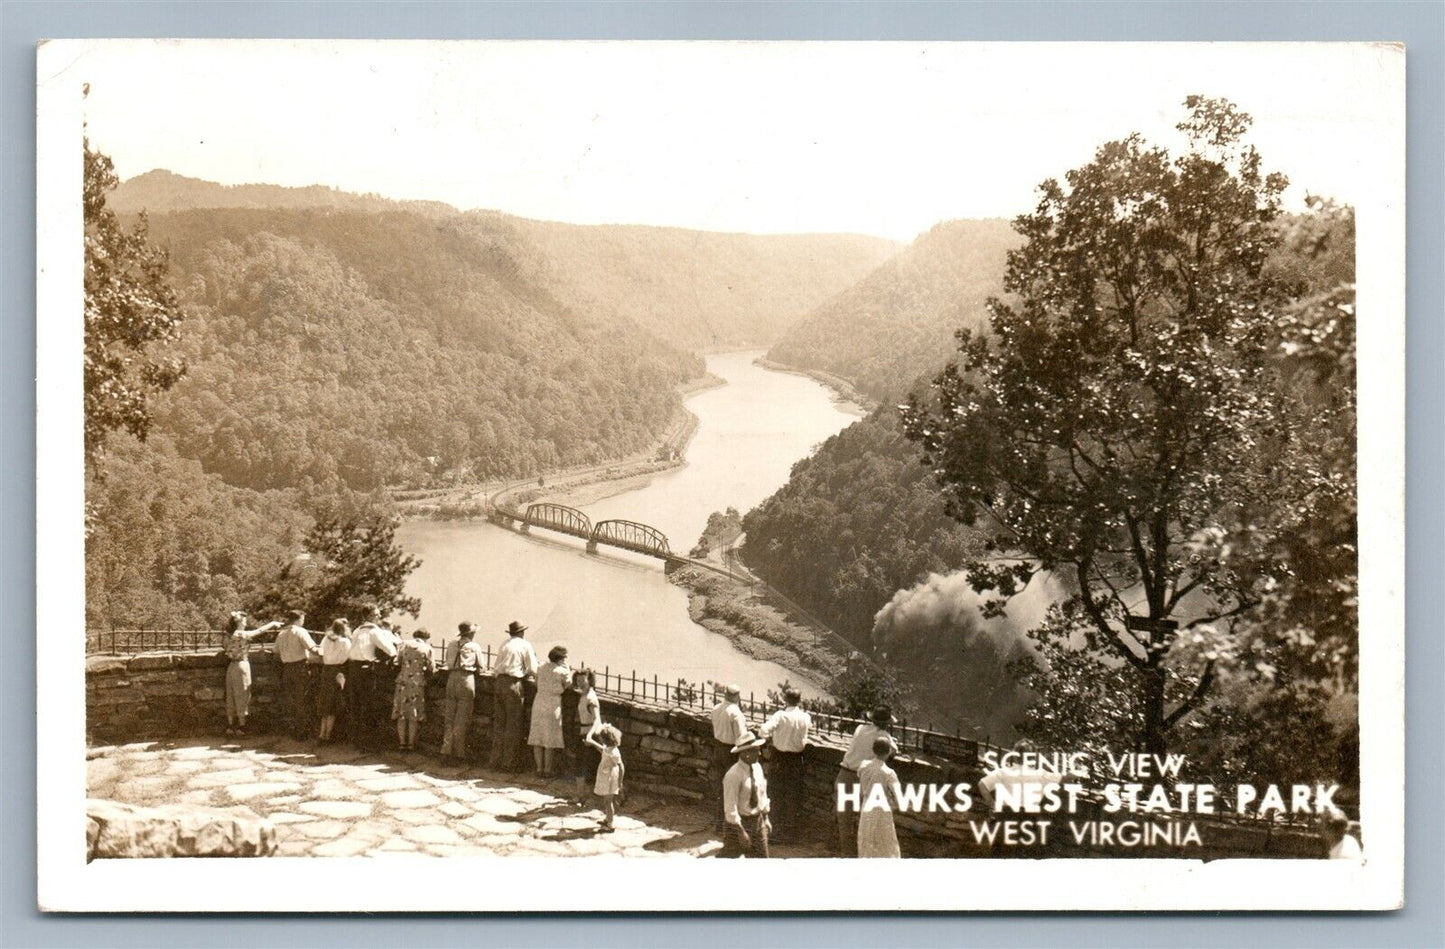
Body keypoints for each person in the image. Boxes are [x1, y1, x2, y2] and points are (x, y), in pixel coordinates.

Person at [835, 705, 898, 857]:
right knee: (865, 821)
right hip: (862, 779)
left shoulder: (859, 728)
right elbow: (892, 751)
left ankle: (846, 854)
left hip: (844, 774)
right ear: (887, 723)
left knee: (845, 820)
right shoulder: (884, 736)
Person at [758, 687, 811, 842]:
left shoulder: (780, 715)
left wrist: (771, 736)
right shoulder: (805, 717)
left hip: (779, 758)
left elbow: (763, 730)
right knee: (793, 795)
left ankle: (774, 832)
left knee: (776, 793)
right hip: (796, 759)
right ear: (800, 700)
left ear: (785, 700)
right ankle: (791, 834)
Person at [346, 605, 398, 749]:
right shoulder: (375, 631)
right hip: (366, 671)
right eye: (376, 614)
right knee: (368, 705)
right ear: (369, 616)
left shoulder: (357, 630)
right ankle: (367, 743)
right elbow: (391, 650)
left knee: (355, 704)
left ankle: (355, 740)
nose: (379, 617)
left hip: (353, 669)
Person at [222, 611, 281, 736]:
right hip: (241, 665)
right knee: (242, 694)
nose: (246, 621)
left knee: (231, 695)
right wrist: (272, 624)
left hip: (231, 666)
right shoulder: (241, 634)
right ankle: (242, 726)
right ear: (239, 622)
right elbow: (259, 631)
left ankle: (230, 725)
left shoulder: (227, 635)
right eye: (244, 620)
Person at [488, 620, 537, 772]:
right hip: (513, 683)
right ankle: (508, 763)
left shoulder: (504, 644)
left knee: (499, 724)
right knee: (513, 725)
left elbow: (496, 666)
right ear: (522, 632)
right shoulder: (525, 645)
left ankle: (495, 760)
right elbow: (532, 668)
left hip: (499, 682)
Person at [720, 731, 770, 858]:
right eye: (755, 751)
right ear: (745, 753)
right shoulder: (733, 775)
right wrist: (741, 832)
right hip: (738, 826)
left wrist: (765, 818)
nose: (759, 753)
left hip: (757, 822)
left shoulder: (757, 768)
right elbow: (730, 807)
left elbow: (762, 794)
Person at [272, 610, 321, 740]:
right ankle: (302, 731)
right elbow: (312, 648)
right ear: (299, 619)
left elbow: (275, 652)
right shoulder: (300, 631)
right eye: (302, 618)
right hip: (300, 667)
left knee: (291, 700)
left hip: (287, 669)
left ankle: (292, 728)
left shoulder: (281, 633)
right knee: (302, 699)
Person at [441, 622, 483, 761]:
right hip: (466, 678)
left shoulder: (452, 644)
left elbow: (447, 660)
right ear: (471, 633)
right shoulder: (474, 646)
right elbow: (481, 666)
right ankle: (458, 753)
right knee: (462, 718)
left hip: (451, 678)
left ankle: (446, 751)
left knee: (449, 717)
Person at [856, 737, 904, 858]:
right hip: (882, 810)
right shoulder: (888, 773)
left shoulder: (863, 766)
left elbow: (861, 777)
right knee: (886, 843)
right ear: (888, 752)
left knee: (866, 840)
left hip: (866, 807)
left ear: (873, 750)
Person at [528, 645, 572, 777]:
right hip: (553, 704)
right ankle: (547, 770)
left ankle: (538, 769)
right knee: (549, 738)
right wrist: (567, 669)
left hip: (539, 701)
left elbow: (536, 683)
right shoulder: (562, 671)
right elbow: (569, 685)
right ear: (561, 658)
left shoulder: (541, 667)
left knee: (537, 736)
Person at [709, 684, 748, 825]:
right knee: (732, 788)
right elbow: (741, 737)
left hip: (718, 748)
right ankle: (728, 824)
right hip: (730, 752)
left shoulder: (716, 708)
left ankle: (719, 821)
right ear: (737, 696)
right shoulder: (735, 713)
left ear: (725, 695)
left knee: (721, 787)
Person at [391, 627, 434, 751]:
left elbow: (398, 661)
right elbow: (431, 667)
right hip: (417, 682)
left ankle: (402, 743)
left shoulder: (404, 645)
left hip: (402, 681)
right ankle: (410, 744)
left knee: (401, 714)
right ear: (426, 637)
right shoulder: (427, 648)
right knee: (413, 714)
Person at [316, 619, 352, 743]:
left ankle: (322, 734)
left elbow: (320, 653)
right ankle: (328, 736)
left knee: (325, 702)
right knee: (333, 704)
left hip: (326, 670)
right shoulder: (345, 641)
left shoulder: (325, 639)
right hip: (338, 671)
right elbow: (347, 657)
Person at [584, 724, 624, 831]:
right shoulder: (609, 748)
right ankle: (607, 819)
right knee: (606, 800)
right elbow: (603, 750)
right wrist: (592, 743)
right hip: (606, 776)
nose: (600, 739)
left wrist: (620, 782)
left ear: (606, 739)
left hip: (610, 778)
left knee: (608, 801)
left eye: (601, 738)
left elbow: (621, 766)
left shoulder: (614, 752)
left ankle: (610, 824)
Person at [572, 669, 603, 796]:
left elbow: (597, 720)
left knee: (582, 766)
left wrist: (590, 736)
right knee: (582, 765)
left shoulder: (590, 698)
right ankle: (581, 796)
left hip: (591, 735)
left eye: (583, 680)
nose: (580, 683)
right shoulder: (584, 695)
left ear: (589, 680)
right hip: (584, 732)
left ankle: (580, 797)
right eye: (578, 680)